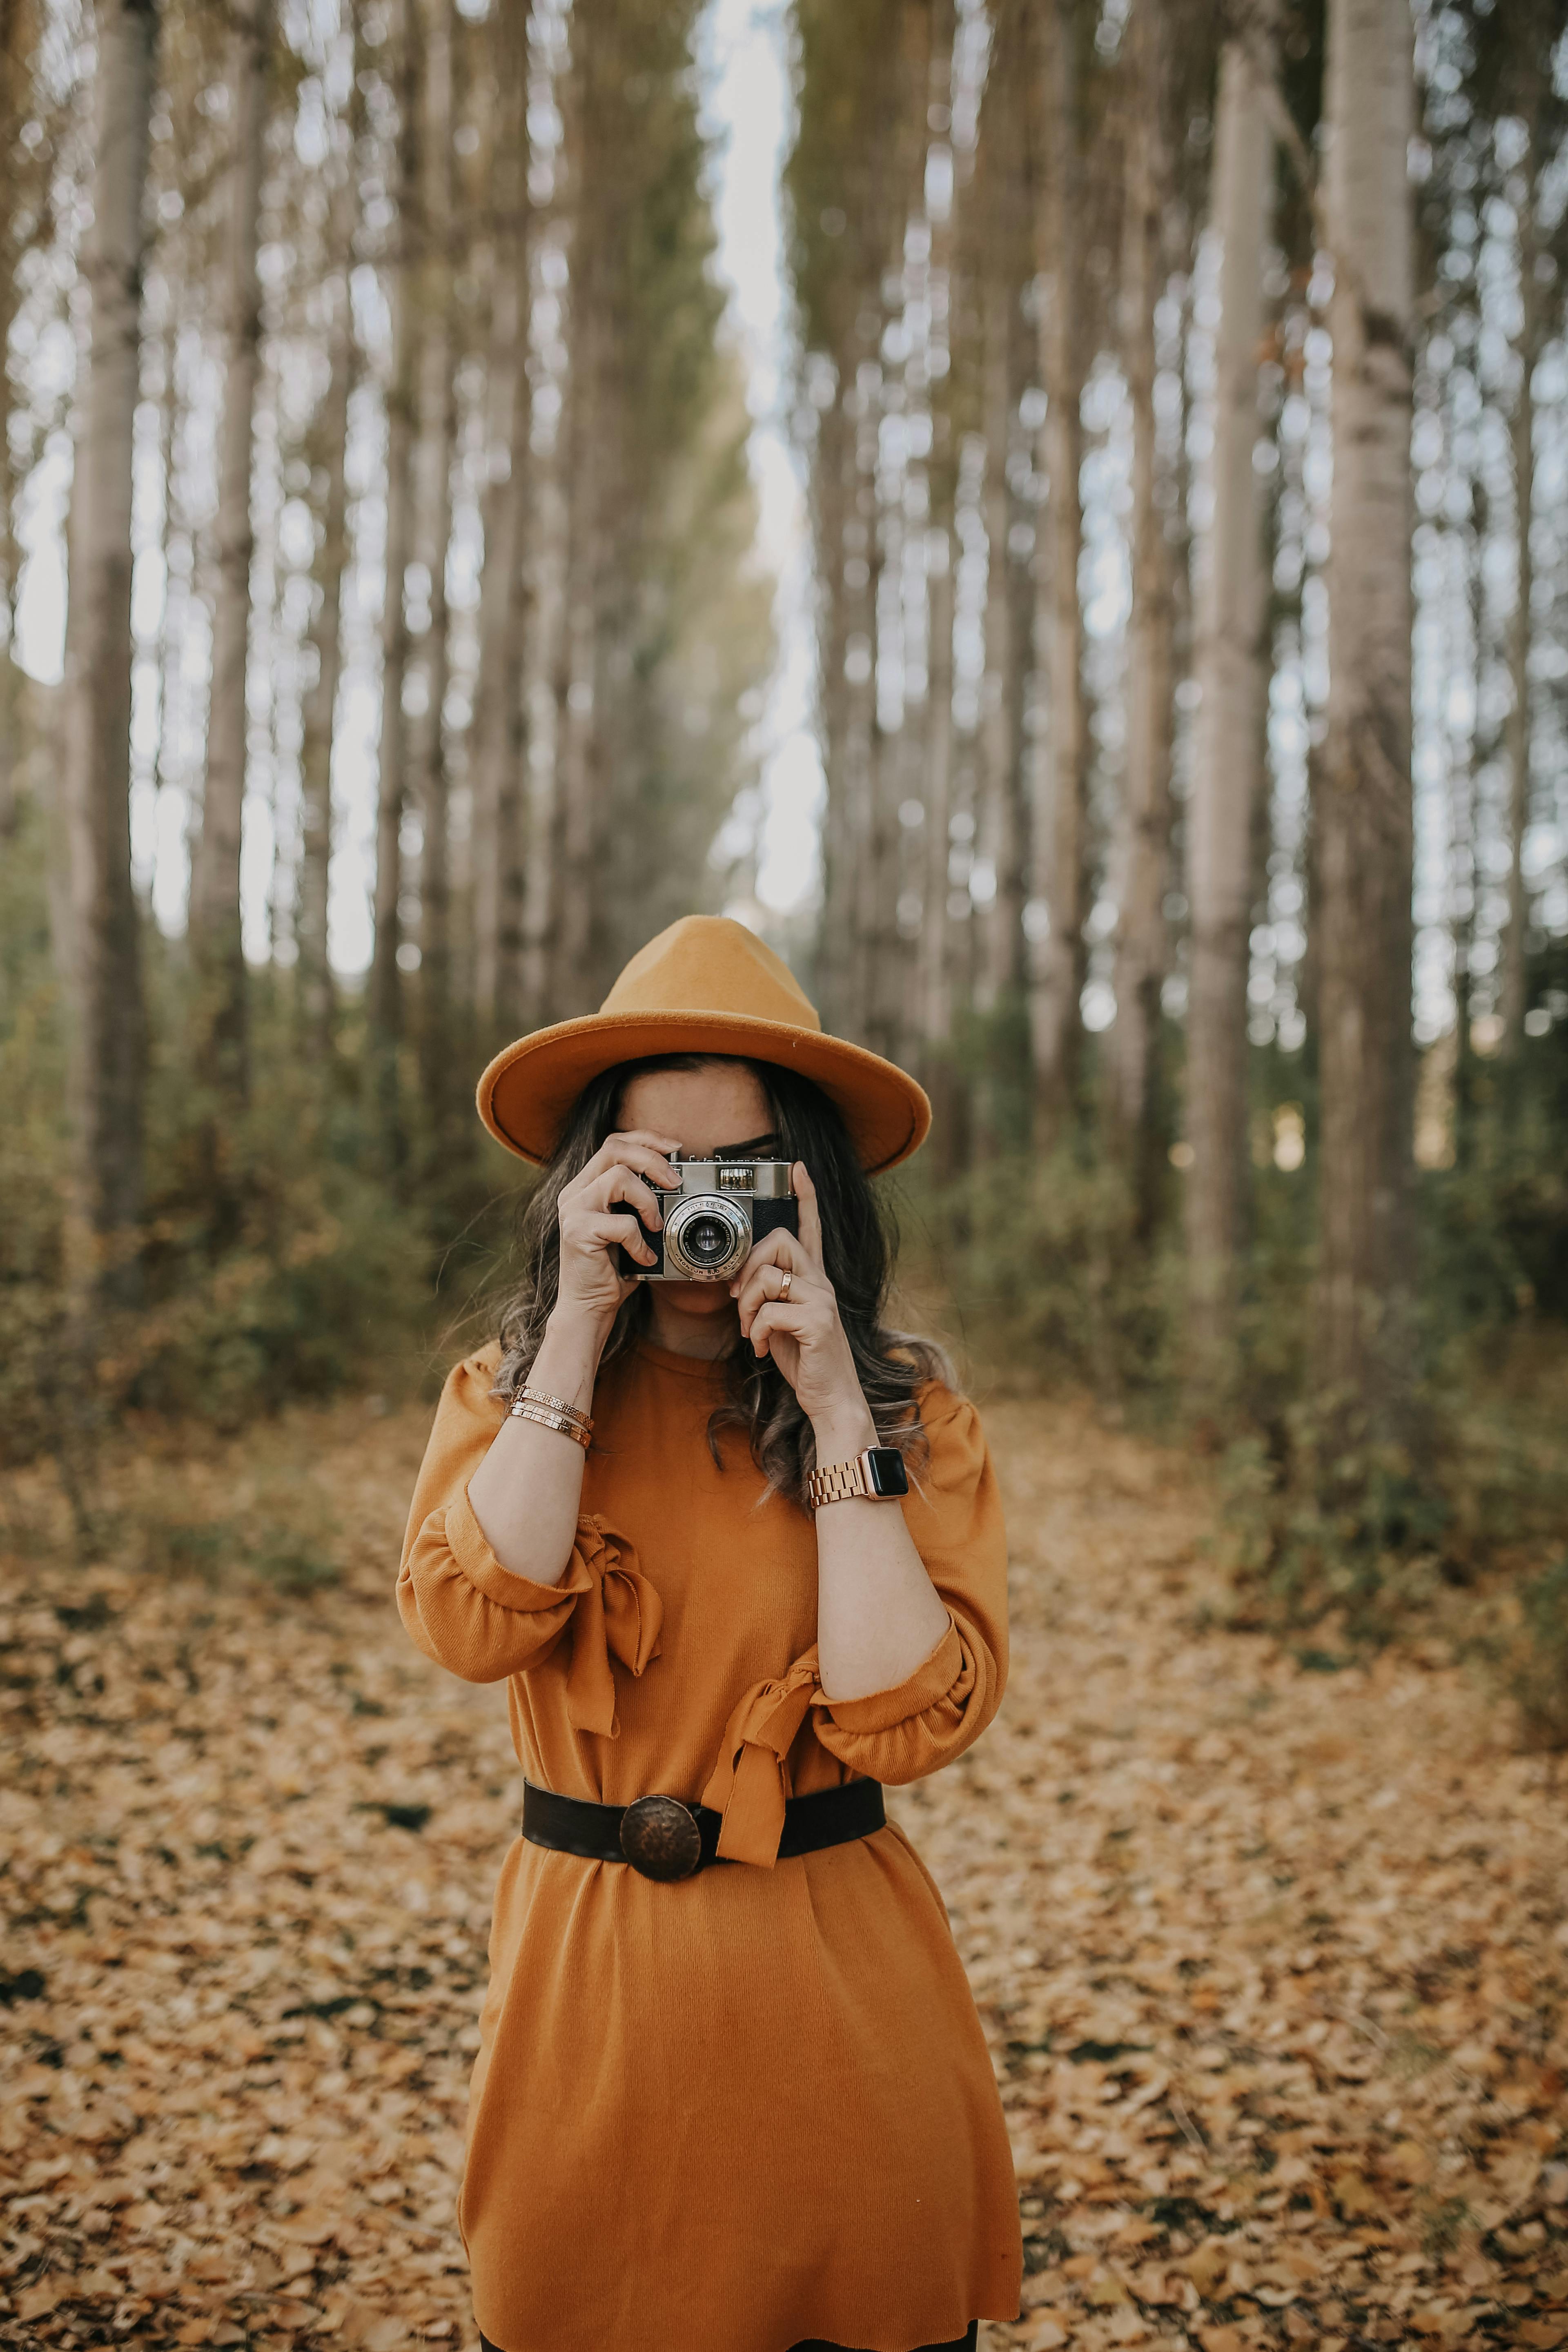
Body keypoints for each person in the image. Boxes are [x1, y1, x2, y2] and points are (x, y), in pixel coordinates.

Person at [397, 916, 1023, 2352]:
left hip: (849, 2050)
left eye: (735, 1176)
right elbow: (471, 1624)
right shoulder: (507, 1397)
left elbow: (901, 1721)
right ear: (583, 1181)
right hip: (585, 2032)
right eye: (655, 1173)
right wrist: (573, 1327)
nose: (697, 1215)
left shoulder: (912, 1423)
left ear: (808, 1188)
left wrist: (837, 1416)